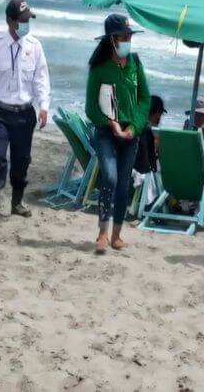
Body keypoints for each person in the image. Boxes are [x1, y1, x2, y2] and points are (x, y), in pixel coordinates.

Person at [0, 0, 50, 220]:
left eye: (29, 20)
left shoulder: (35, 46)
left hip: (24, 113)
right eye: (23, 20)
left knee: (22, 160)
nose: (27, 24)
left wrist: (43, 106)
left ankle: (17, 202)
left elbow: (41, 79)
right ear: (11, 20)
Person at [85, 14, 151, 253]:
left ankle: (116, 235)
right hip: (106, 132)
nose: (127, 41)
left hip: (131, 134)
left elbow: (145, 99)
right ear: (112, 40)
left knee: (124, 184)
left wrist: (133, 127)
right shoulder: (99, 69)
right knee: (110, 178)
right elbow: (90, 107)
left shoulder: (135, 63)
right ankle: (102, 232)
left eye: (129, 36)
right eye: (123, 37)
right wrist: (110, 124)